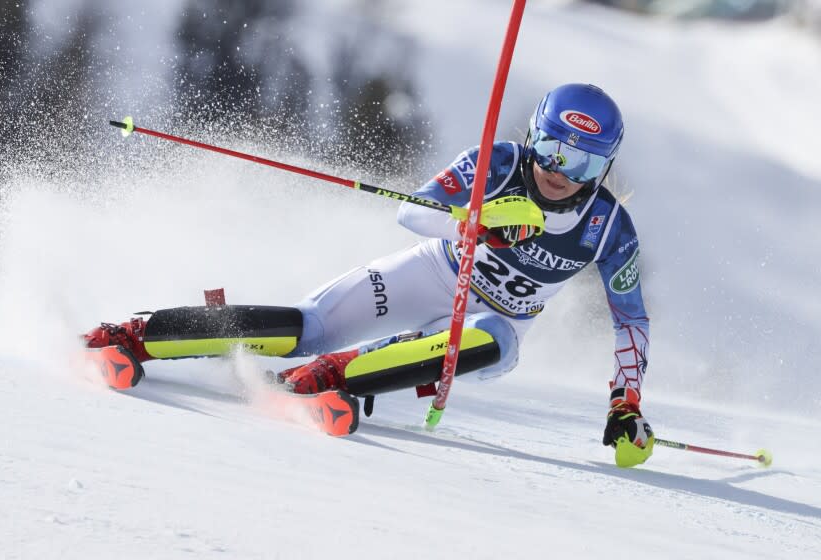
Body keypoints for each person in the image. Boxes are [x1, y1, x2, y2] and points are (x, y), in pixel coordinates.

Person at [85, 83, 654, 465]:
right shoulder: (497, 163)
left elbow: (631, 319)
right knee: (308, 327)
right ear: (535, 135)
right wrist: (478, 226)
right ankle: (131, 339)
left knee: (492, 343)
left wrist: (625, 402)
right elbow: (412, 211)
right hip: (435, 272)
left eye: (582, 161)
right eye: (554, 148)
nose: (560, 171)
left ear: (605, 166)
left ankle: (320, 382)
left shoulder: (609, 227)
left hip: (495, 318)